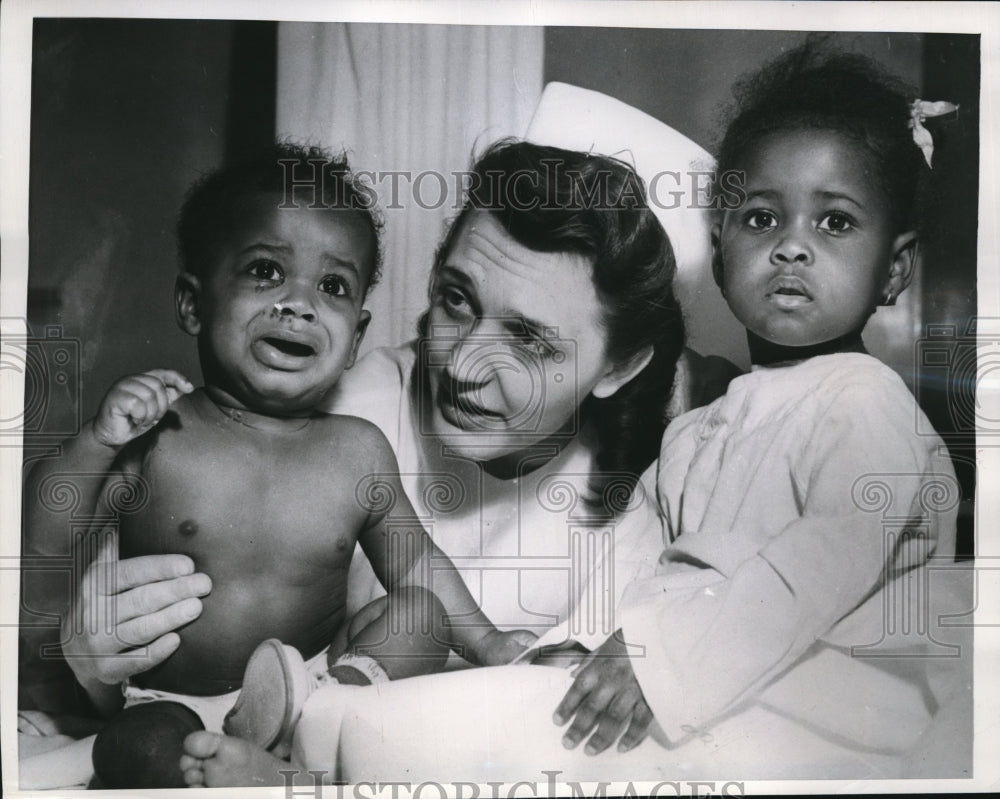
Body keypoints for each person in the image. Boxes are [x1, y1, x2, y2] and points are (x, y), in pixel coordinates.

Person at [180, 44, 969, 784]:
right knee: (477, 719)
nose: (462, 363)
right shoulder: (699, 430)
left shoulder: (852, 401)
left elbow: (820, 560)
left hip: (794, 705)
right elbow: (639, 568)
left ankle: (312, 760)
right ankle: (310, 754)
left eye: (528, 338)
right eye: (455, 300)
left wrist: (646, 662)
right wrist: (567, 654)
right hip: (671, 685)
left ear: (619, 367)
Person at [22, 143, 532, 789]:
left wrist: (488, 644)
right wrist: (98, 438)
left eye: (333, 286)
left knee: (418, 613)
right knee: (131, 748)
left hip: (315, 678)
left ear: (356, 336)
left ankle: (316, 724)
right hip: (171, 702)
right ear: (192, 302)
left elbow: (418, 559)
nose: (299, 303)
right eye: (265, 271)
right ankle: (229, 766)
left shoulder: (357, 449)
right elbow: (46, 534)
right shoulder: (160, 434)